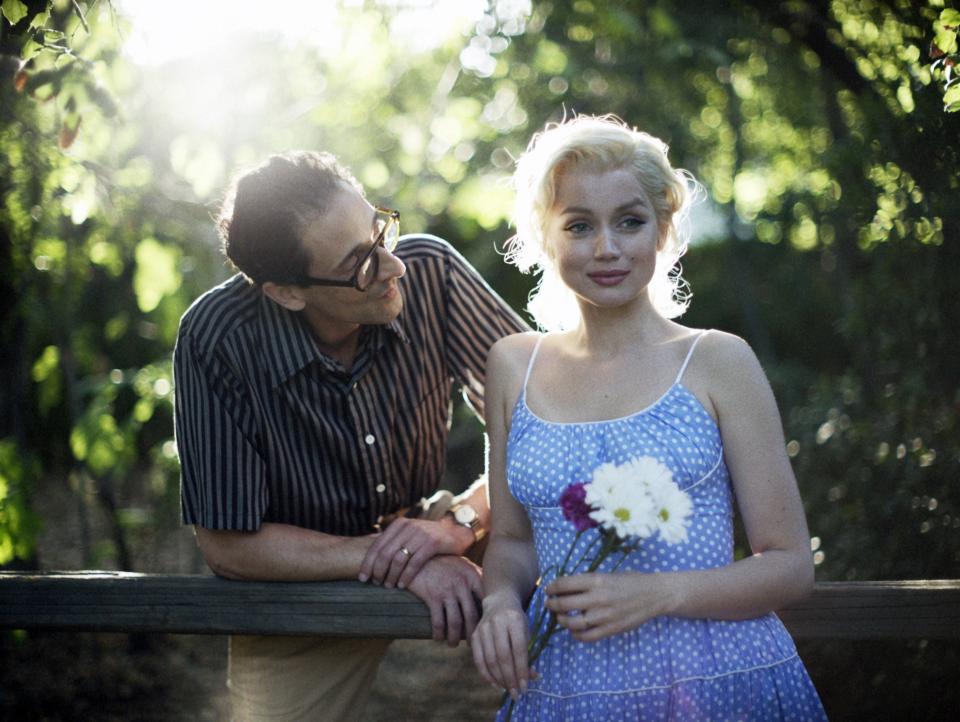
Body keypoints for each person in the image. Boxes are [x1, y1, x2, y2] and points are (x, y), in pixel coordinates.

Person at [471, 115, 828, 720]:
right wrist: (500, 602)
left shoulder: (718, 361)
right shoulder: (513, 366)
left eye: (630, 222)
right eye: (579, 226)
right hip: (562, 685)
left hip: (718, 679)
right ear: (544, 236)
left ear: (663, 230)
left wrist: (657, 593)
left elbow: (791, 566)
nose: (607, 248)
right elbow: (511, 541)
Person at [173, 150, 528, 722]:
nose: (394, 266)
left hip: (434, 521)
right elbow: (230, 546)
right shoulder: (218, 337)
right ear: (287, 292)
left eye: (380, 230)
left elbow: (554, 424)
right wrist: (406, 558)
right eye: (361, 263)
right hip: (299, 579)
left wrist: (458, 525)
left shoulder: (431, 270)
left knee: (588, 550)